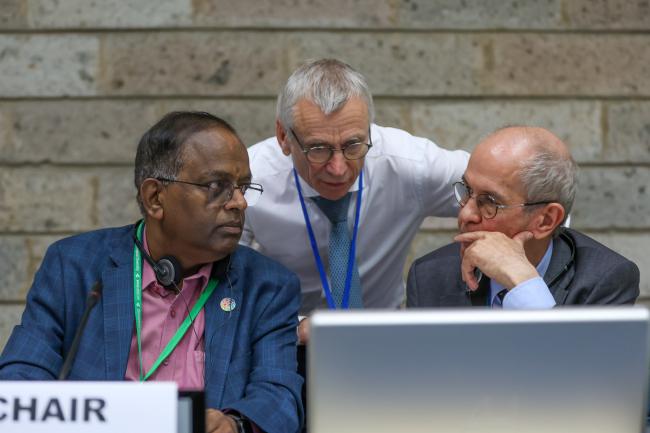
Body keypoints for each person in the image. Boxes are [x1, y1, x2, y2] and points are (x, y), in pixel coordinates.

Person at [0, 112, 304, 433]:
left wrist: (234, 424)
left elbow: (280, 396)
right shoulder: (76, 266)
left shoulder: (267, 286)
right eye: (218, 186)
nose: (239, 202)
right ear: (155, 198)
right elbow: (19, 376)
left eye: (243, 186)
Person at [241, 58, 469, 340]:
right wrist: (294, 327)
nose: (338, 168)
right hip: (285, 336)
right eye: (318, 149)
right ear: (283, 137)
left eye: (353, 145)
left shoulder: (410, 163)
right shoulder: (250, 178)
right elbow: (219, 280)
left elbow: (506, 188)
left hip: (385, 337)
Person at [407, 126, 639, 308]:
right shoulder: (429, 275)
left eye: (489, 202)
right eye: (466, 190)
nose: (465, 213)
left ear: (546, 220)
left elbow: (580, 367)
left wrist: (524, 283)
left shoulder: (605, 279)